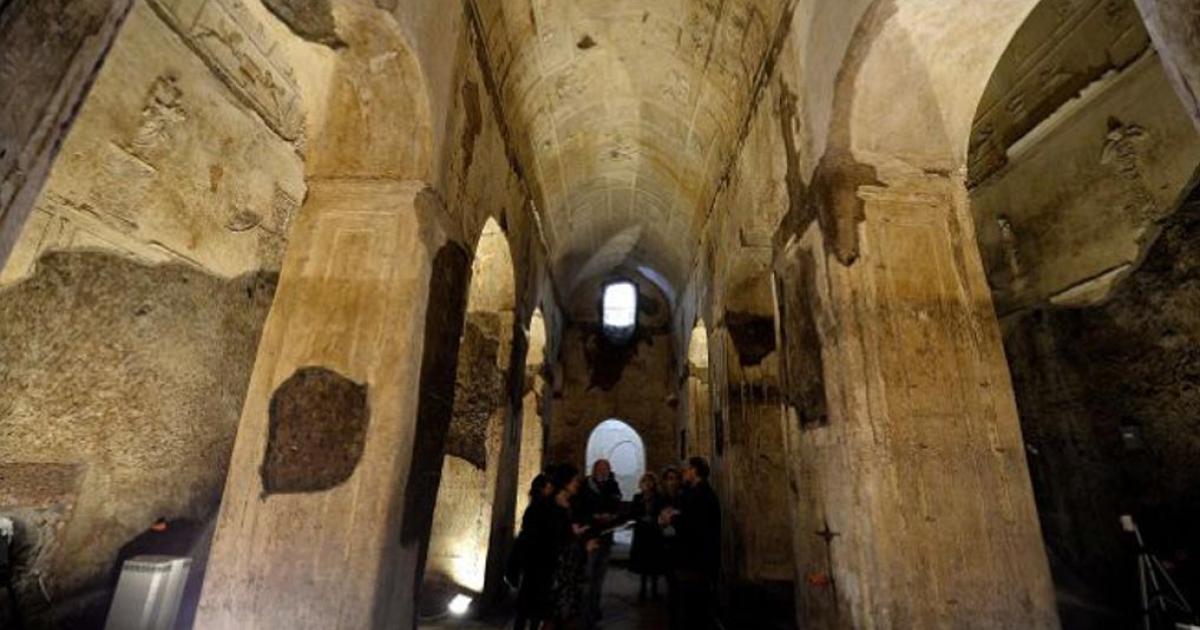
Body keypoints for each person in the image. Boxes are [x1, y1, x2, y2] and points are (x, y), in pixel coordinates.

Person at [660, 457, 720, 630]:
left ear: (695, 471)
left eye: (686, 469)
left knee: (693, 606)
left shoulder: (702, 494)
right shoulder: (693, 492)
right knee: (685, 602)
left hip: (696, 558)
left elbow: (694, 524)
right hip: (689, 556)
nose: (683, 472)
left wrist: (672, 518)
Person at [545, 464, 596, 630]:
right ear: (565, 482)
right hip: (558, 569)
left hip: (570, 568)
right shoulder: (551, 506)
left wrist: (578, 535)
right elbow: (555, 539)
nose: (577, 484)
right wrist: (578, 538)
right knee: (554, 614)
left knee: (567, 612)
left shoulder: (569, 504)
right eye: (574, 480)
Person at [574, 459, 622, 629]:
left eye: (606, 468)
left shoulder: (612, 485)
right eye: (600, 468)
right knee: (588, 576)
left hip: (605, 536)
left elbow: (617, 503)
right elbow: (579, 507)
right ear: (594, 470)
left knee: (599, 578)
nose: (603, 471)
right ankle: (585, 613)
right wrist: (593, 516)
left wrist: (611, 516)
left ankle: (594, 608)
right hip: (589, 536)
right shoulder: (585, 486)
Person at [512, 473, 555, 630]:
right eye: (549, 486)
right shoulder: (542, 508)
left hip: (531, 559)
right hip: (538, 559)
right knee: (535, 599)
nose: (551, 489)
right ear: (542, 488)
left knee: (527, 598)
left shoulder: (534, 507)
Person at [629, 472, 666, 603]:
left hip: (654, 533)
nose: (647, 484)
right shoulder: (637, 497)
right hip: (642, 533)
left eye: (650, 481)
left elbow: (661, 512)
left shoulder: (659, 497)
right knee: (643, 562)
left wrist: (654, 519)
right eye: (645, 481)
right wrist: (641, 518)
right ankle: (643, 591)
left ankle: (654, 591)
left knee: (654, 562)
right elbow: (633, 513)